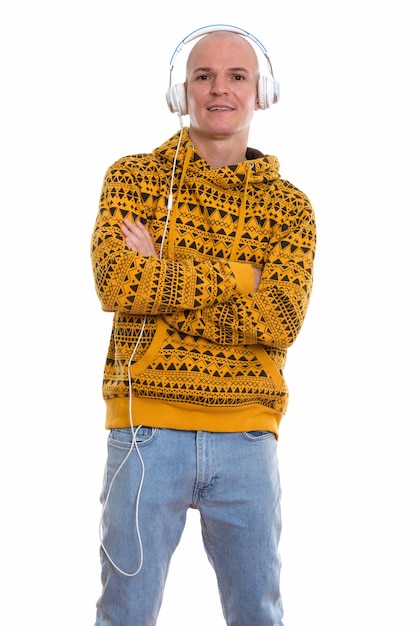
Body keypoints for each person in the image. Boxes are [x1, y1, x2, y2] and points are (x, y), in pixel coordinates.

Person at [90, 24, 316, 626]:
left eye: (236, 76)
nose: (220, 89)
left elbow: (281, 318)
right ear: (181, 92)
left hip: (247, 439)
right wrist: (243, 277)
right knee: (124, 615)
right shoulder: (132, 178)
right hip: (144, 434)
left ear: (260, 91)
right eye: (204, 76)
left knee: (258, 616)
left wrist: (166, 273)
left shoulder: (289, 207)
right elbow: (117, 284)